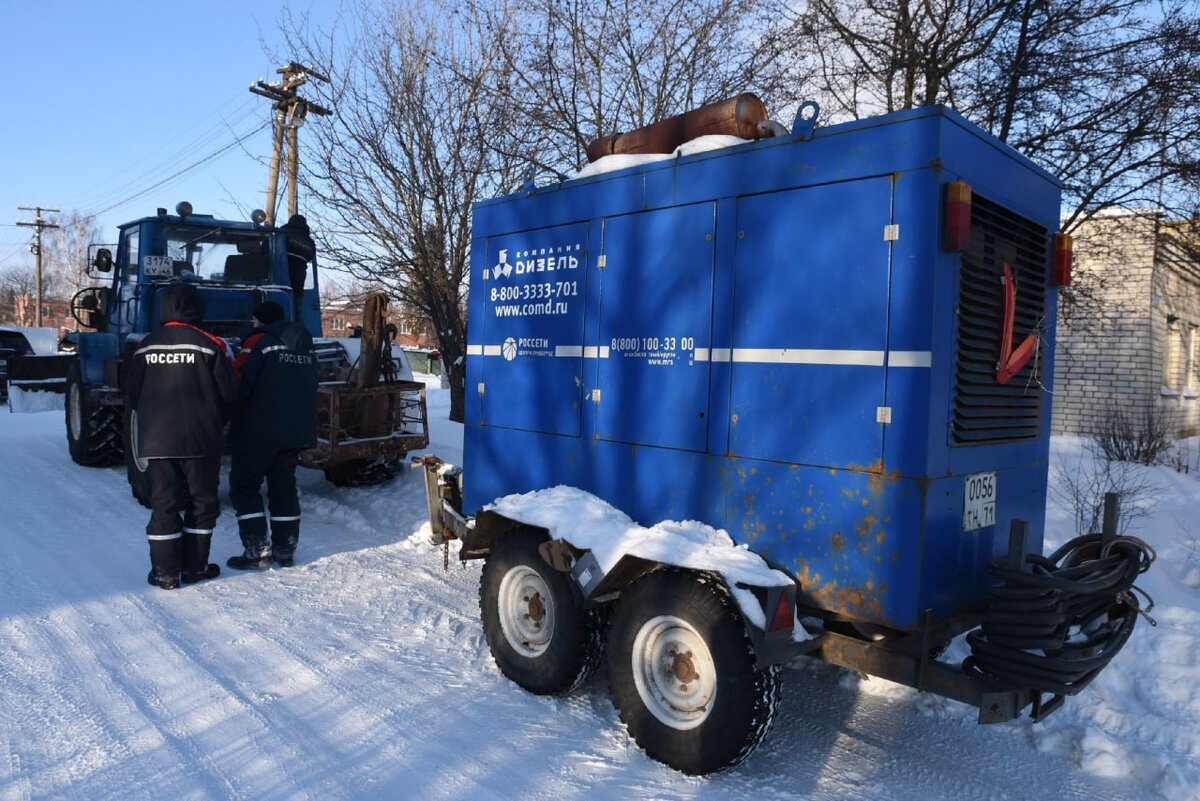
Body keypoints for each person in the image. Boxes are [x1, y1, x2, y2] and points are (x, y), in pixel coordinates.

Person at [126, 282, 237, 590]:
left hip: (158, 442)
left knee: (164, 504)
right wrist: (216, 421)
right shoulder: (208, 344)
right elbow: (229, 393)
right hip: (201, 441)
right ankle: (195, 568)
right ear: (195, 307)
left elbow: (133, 394)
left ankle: (165, 572)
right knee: (202, 504)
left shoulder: (146, 345)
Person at [226, 301, 319, 569]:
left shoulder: (259, 344)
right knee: (284, 488)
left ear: (259, 320)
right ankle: (285, 549)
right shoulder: (306, 346)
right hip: (295, 431)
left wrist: (227, 413)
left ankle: (256, 550)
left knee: (245, 487)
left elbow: (241, 383)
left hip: (258, 430)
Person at [280, 214, 315, 318]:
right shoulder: (309, 242)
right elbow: (310, 257)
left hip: (281, 274)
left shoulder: (283, 233)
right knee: (295, 306)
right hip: (299, 278)